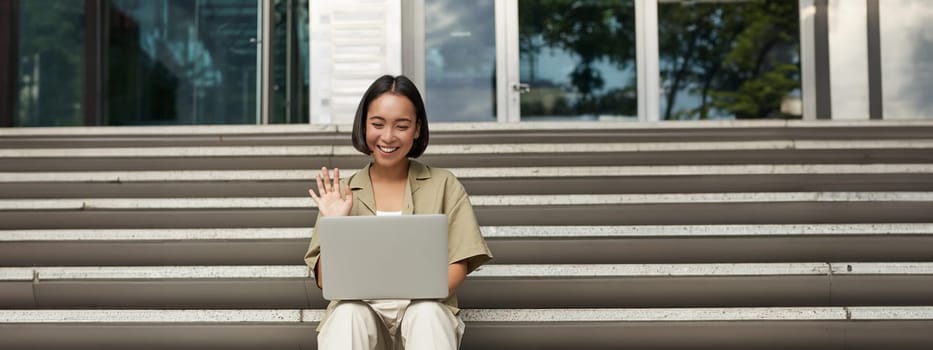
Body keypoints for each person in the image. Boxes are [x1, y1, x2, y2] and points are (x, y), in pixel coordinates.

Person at [304, 74, 493, 350]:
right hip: (362, 316)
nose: (388, 137)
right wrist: (335, 223)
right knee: (347, 315)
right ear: (364, 124)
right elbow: (325, 280)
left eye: (401, 126)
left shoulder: (444, 184)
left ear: (417, 129)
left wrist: (418, 292)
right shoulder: (341, 193)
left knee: (427, 313)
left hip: (424, 311)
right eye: (377, 124)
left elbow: (458, 265)